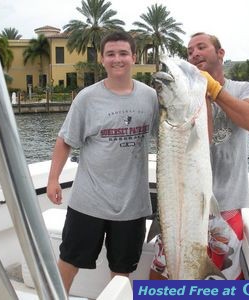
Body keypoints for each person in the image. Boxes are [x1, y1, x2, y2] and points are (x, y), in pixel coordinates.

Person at [47, 31, 159, 293]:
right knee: (69, 261)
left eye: (122, 53)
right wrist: (53, 179)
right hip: (89, 202)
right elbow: (65, 140)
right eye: (110, 54)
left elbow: (171, 134)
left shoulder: (151, 97)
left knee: (122, 271)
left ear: (134, 57)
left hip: (132, 205)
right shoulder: (87, 98)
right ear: (101, 59)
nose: (117, 59)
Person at [149, 32, 249, 280]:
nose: (194, 54)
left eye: (201, 47)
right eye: (190, 51)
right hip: (181, 205)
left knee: (222, 282)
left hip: (227, 204)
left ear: (220, 53)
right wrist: (200, 93)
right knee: (158, 275)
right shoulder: (190, 97)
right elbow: (204, 137)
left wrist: (215, 89)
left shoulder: (244, 89)